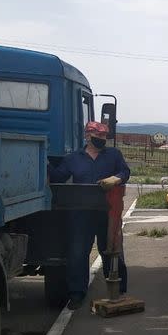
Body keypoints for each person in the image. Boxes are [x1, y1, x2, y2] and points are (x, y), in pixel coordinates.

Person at [49, 121, 131, 309]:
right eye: (98, 136)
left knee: (112, 249)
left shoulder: (113, 155)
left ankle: (119, 289)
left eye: (104, 136)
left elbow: (125, 171)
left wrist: (116, 178)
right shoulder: (73, 159)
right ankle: (77, 293)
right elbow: (58, 177)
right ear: (88, 136)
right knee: (78, 252)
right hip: (81, 213)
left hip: (108, 212)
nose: (102, 139)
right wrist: (44, 163)